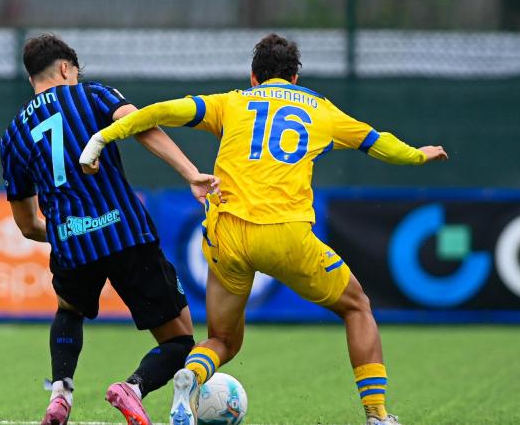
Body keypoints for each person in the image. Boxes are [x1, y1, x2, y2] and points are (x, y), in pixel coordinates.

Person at [79, 33, 448, 425]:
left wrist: (102, 138)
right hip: (287, 236)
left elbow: (161, 112)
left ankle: (192, 376)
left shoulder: (232, 102)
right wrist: (416, 156)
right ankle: (376, 415)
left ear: (253, 77)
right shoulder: (322, 110)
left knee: (222, 339)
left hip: (227, 235)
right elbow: (379, 143)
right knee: (357, 306)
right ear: (295, 79)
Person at [1, 34, 219, 425]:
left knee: (69, 310)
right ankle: (133, 387)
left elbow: (28, 224)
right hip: (126, 234)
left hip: (72, 246)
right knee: (180, 341)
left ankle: (60, 392)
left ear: (32, 78)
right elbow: (142, 125)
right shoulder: (93, 95)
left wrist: (69, 229)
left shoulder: (13, 135)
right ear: (65, 68)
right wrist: (190, 172)